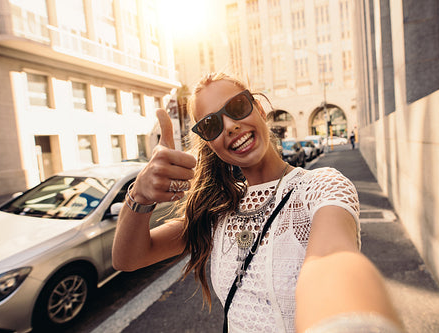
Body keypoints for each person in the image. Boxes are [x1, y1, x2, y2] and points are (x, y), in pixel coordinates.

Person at [112, 73, 402, 332]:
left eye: (237, 107)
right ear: (209, 142)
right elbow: (129, 258)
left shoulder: (321, 187)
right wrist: (140, 195)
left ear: (259, 109)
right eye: (211, 124)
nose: (230, 126)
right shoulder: (217, 210)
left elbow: (331, 260)